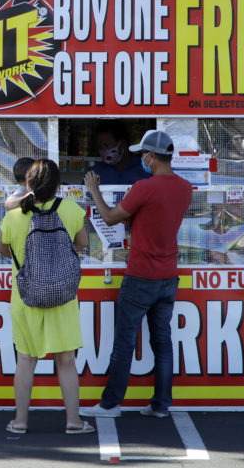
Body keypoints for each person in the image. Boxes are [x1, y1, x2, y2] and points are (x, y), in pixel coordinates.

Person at [81, 130, 192, 418]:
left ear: (152, 157)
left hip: (141, 275)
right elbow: (154, 218)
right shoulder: (184, 188)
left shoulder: (144, 187)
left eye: (143, 154)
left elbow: (108, 217)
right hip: (169, 275)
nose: (141, 158)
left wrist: (94, 190)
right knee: (162, 342)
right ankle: (161, 405)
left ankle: (110, 404)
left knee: (125, 342)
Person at [0, 159, 94, 434]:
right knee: (66, 360)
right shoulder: (72, 209)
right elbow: (83, 244)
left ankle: (20, 422)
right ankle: (73, 421)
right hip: (63, 297)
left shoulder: (13, 216)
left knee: (25, 360)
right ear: (57, 185)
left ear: (28, 184)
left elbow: (2, 249)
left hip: (25, 296)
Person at [89, 120, 150, 185]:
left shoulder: (145, 169)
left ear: (122, 144)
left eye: (106, 145)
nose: (103, 150)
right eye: (100, 146)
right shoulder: (94, 173)